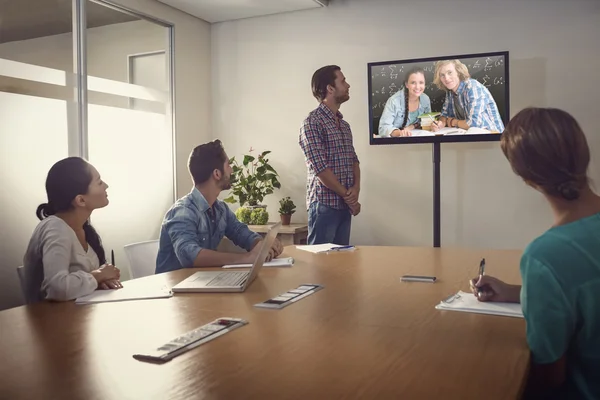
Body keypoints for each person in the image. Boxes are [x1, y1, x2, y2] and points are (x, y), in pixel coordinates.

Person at [469, 108, 600, 399]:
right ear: (584, 154)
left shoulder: (546, 256)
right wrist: (519, 292)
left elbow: (550, 376)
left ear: (526, 176)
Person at [155, 139, 283, 273]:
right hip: (173, 289)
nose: (232, 170)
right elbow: (190, 256)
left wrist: (263, 245)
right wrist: (246, 258)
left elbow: (241, 232)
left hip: (202, 284)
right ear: (217, 174)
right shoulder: (182, 212)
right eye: (228, 165)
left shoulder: (220, 209)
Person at [23, 157, 121, 302]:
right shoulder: (55, 228)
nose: (106, 185)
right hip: (50, 321)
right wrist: (99, 275)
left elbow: (82, 285)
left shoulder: (83, 229)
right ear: (81, 200)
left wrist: (100, 282)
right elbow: (56, 287)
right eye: (99, 182)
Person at [299, 65, 361, 245]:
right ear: (330, 88)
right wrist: (349, 197)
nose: (348, 85)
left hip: (344, 207)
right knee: (320, 268)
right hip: (324, 206)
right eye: (343, 81)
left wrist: (355, 190)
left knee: (341, 266)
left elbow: (354, 161)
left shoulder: (345, 125)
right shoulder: (312, 123)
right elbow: (320, 169)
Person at [431, 59, 504, 133]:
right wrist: (440, 123)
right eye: (442, 75)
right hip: (468, 135)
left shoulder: (473, 87)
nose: (446, 78)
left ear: (458, 72)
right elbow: (444, 115)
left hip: (493, 136)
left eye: (450, 73)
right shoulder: (450, 92)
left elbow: (474, 123)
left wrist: (454, 122)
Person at [378, 67, 432, 137]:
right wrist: (400, 133)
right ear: (406, 84)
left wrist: (433, 125)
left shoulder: (426, 99)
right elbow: (383, 129)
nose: (417, 87)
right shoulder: (394, 101)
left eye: (421, 82)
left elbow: (427, 122)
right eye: (413, 83)